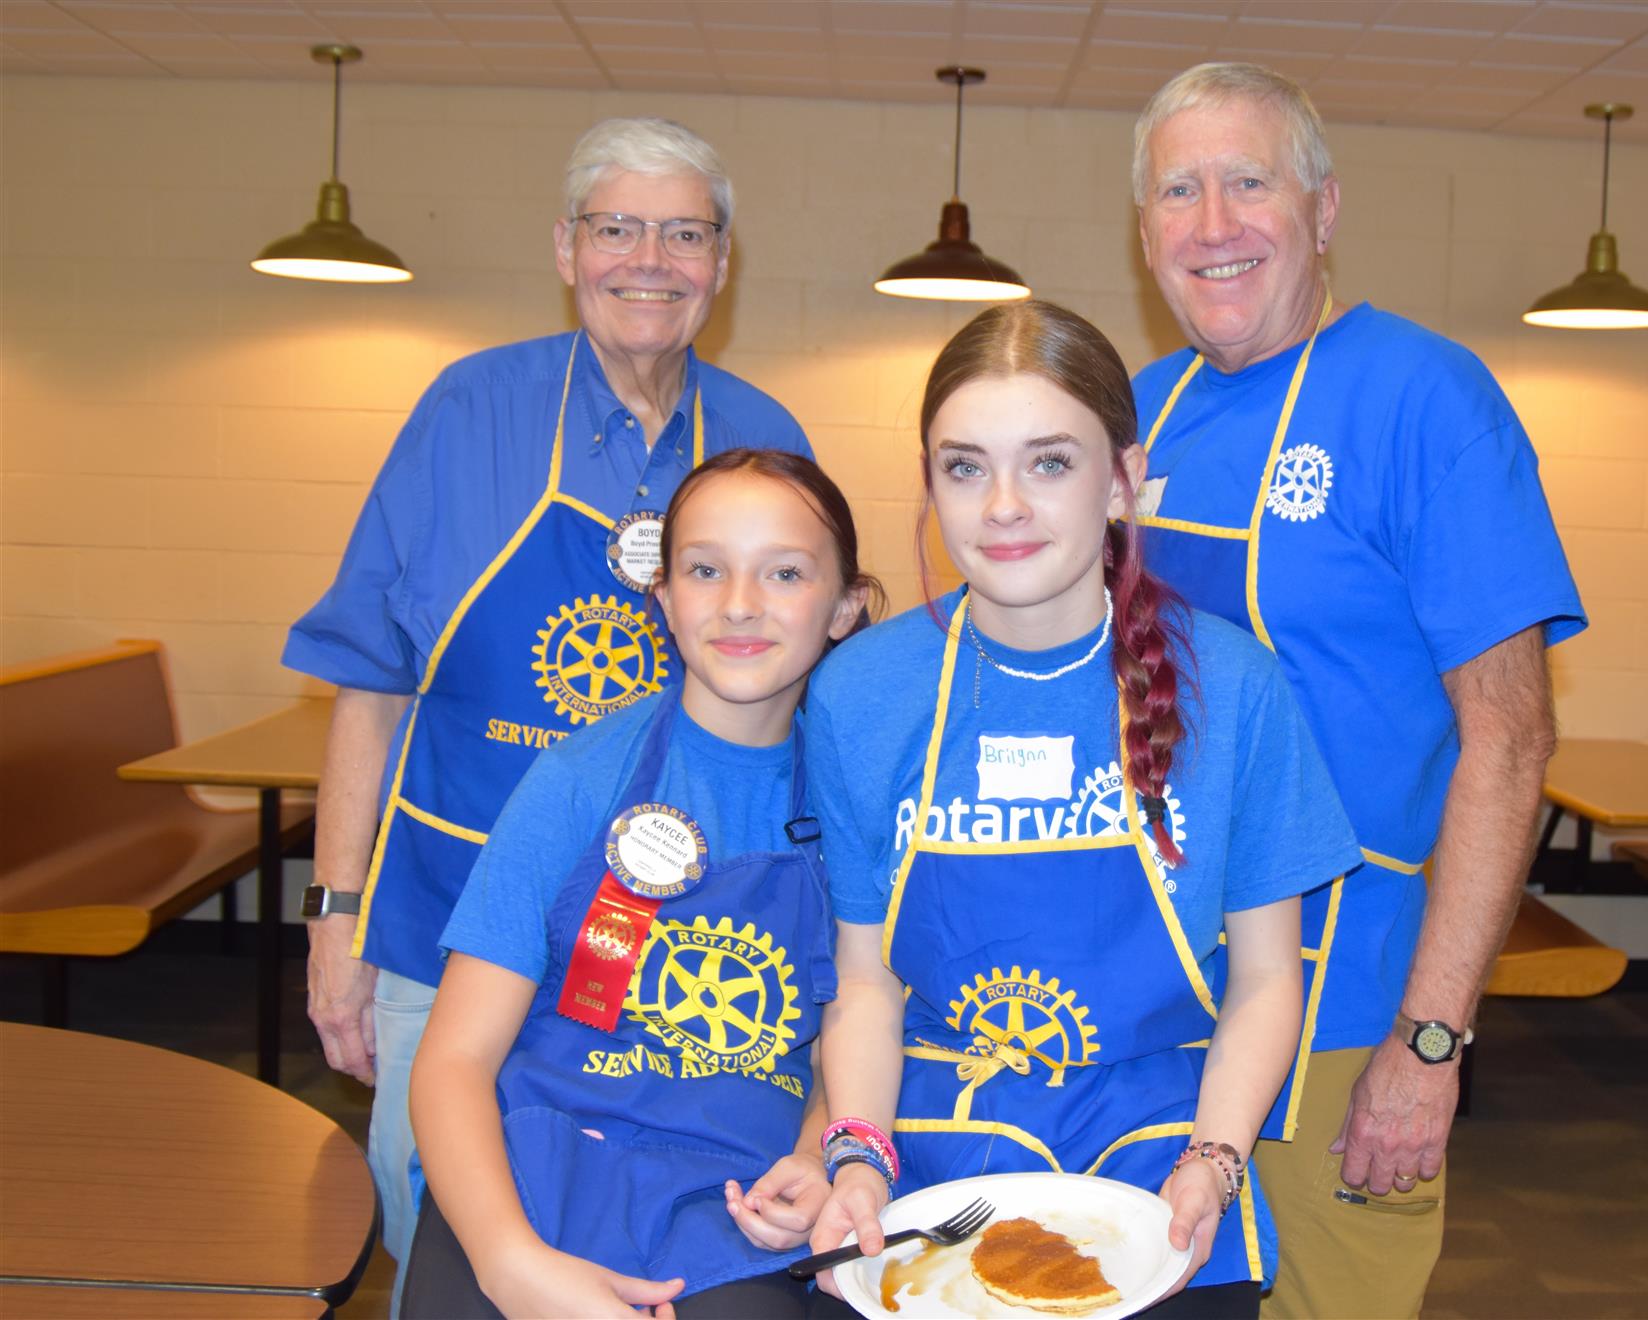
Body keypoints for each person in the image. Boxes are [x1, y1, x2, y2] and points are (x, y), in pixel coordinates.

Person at [282, 116, 812, 1295]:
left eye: (685, 234)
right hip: (448, 926)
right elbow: (371, 682)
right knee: (446, 1239)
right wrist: (334, 920)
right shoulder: (466, 414)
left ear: (723, 263)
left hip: (673, 965)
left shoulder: (764, 438)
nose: (649, 259)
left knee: (673, 1249)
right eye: (616, 227)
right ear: (566, 247)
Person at [1129, 62, 1588, 1318]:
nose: (1213, 224)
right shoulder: (1144, 412)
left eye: (1248, 183)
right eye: (1178, 191)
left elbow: (1511, 740)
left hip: (1346, 1001)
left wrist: (1429, 1043)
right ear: (1145, 230)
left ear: (1323, 209)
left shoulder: (1426, 400)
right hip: (1157, 996)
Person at [803, 300, 1362, 1317]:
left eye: (1050, 463)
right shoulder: (860, 693)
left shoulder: (1233, 687)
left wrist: (1216, 1161)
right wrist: (856, 1158)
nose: (1003, 506)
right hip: (930, 1168)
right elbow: (866, 983)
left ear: (1121, 480)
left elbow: (1266, 978)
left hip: (1161, 1168)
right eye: (965, 467)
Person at [403, 449, 878, 1318]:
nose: (740, 603)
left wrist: (816, 1157)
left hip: (731, 1204)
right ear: (661, 597)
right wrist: (509, 1264)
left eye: (784, 572)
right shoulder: (578, 781)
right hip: (530, 1175)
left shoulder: (857, 809)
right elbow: (454, 1062)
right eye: (705, 569)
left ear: (845, 607)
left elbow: (845, 1049)